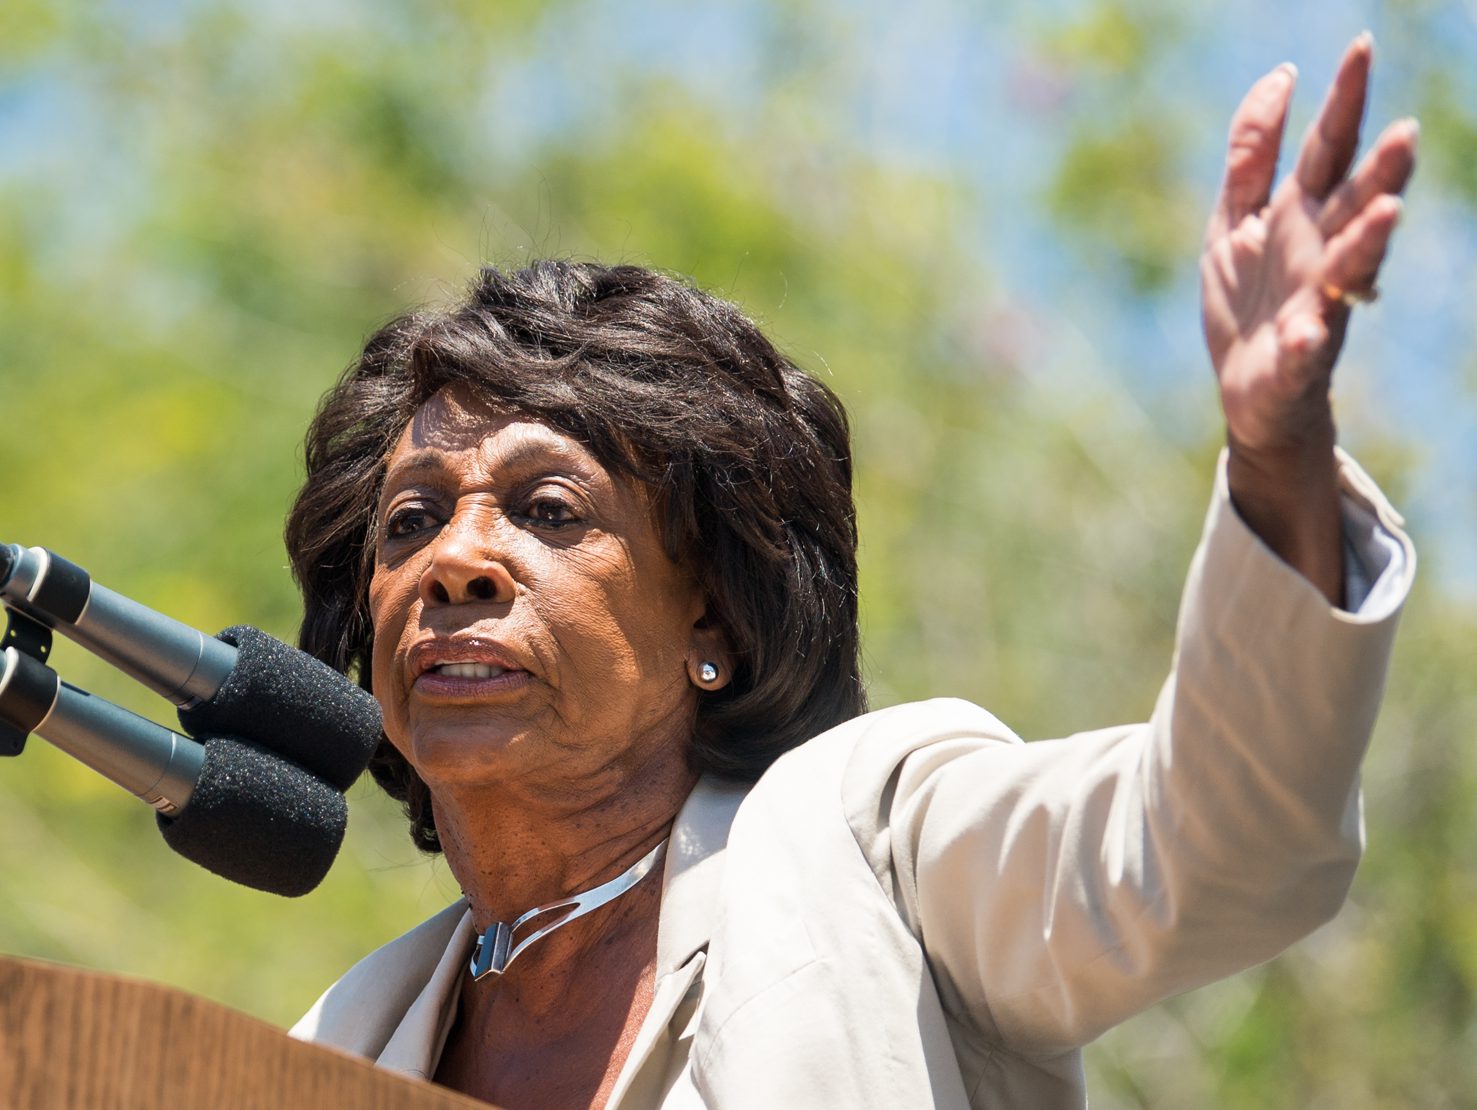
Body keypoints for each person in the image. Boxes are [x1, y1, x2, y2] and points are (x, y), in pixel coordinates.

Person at [286, 34, 1417, 1109]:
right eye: (410, 521)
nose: (454, 562)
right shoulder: (341, 1037)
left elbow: (1207, 852)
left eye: (547, 509)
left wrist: (1276, 461)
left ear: (714, 622)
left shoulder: (872, 843)